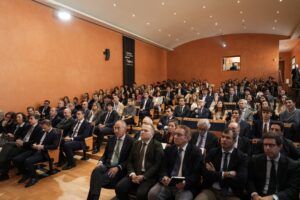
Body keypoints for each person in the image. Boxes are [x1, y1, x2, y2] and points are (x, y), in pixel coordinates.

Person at [148, 125, 203, 200]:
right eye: (175, 134)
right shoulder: (169, 150)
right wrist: (164, 177)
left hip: (185, 185)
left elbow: (196, 174)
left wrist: (185, 183)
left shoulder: (196, 152)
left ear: (188, 138)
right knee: (152, 194)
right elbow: (162, 168)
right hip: (168, 183)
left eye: (179, 135)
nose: (175, 137)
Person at [194, 129, 248, 200]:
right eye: (222, 137)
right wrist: (226, 174)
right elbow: (205, 174)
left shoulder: (241, 156)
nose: (224, 140)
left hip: (232, 193)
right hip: (212, 190)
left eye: (228, 138)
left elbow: (241, 180)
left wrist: (215, 173)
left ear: (234, 141)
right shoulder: (213, 152)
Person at [87, 120, 134, 200]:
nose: (115, 130)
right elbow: (105, 155)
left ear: (125, 129)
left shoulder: (131, 141)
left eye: (118, 128)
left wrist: (118, 167)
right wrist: (100, 162)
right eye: (114, 128)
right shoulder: (111, 139)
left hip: (119, 169)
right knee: (97, 170)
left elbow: (129, 160)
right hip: (107, 165)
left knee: (96, 180)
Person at [115, 124, 164, 200]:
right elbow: (129, 161)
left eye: (145, 131)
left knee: (141, 194)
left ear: (152, 133)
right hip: (134, 174)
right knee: (119, 187)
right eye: (141, 130)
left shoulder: (157, 145)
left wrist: (143, 176)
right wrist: (132, 174)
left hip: (148, 177)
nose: (142, 132)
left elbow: (157, 165)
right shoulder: (136, 143)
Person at [247, 132, 300, 200]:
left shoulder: (292, 165)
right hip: (259, 196)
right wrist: (254, 194)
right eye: (265, 145)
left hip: (279, 197)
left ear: (280, 146)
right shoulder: (255, 160)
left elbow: (293, 190)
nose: (267, 148)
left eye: (271, 145)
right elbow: (250, 180)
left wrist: (272, 198)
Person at [12, 120, 60, 187]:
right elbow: (36, 140)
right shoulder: (42, 131)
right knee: (16, 159)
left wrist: (42, 146)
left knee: (28, 161)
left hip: (45, 153)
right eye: (43, 128)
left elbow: (55, 146)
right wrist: (35, 144)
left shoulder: (55, 133)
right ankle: (26, 174)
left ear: (49, 126)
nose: (43, 129)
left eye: (45, 128)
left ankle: (34, 178)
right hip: (35, 149)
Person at [0, 112, 30, 181]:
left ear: (23, 118)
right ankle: (3, 173)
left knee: (6, 149)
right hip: (12, 143)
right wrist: (4, 127)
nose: (17, 118)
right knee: (7, 152)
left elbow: (24, 138)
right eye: (16, 117)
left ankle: (3, 172)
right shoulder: (16, 125)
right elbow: (8, 132)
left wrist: (14, 136)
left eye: (19, 117)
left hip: (20, 145)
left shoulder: (26, 126)